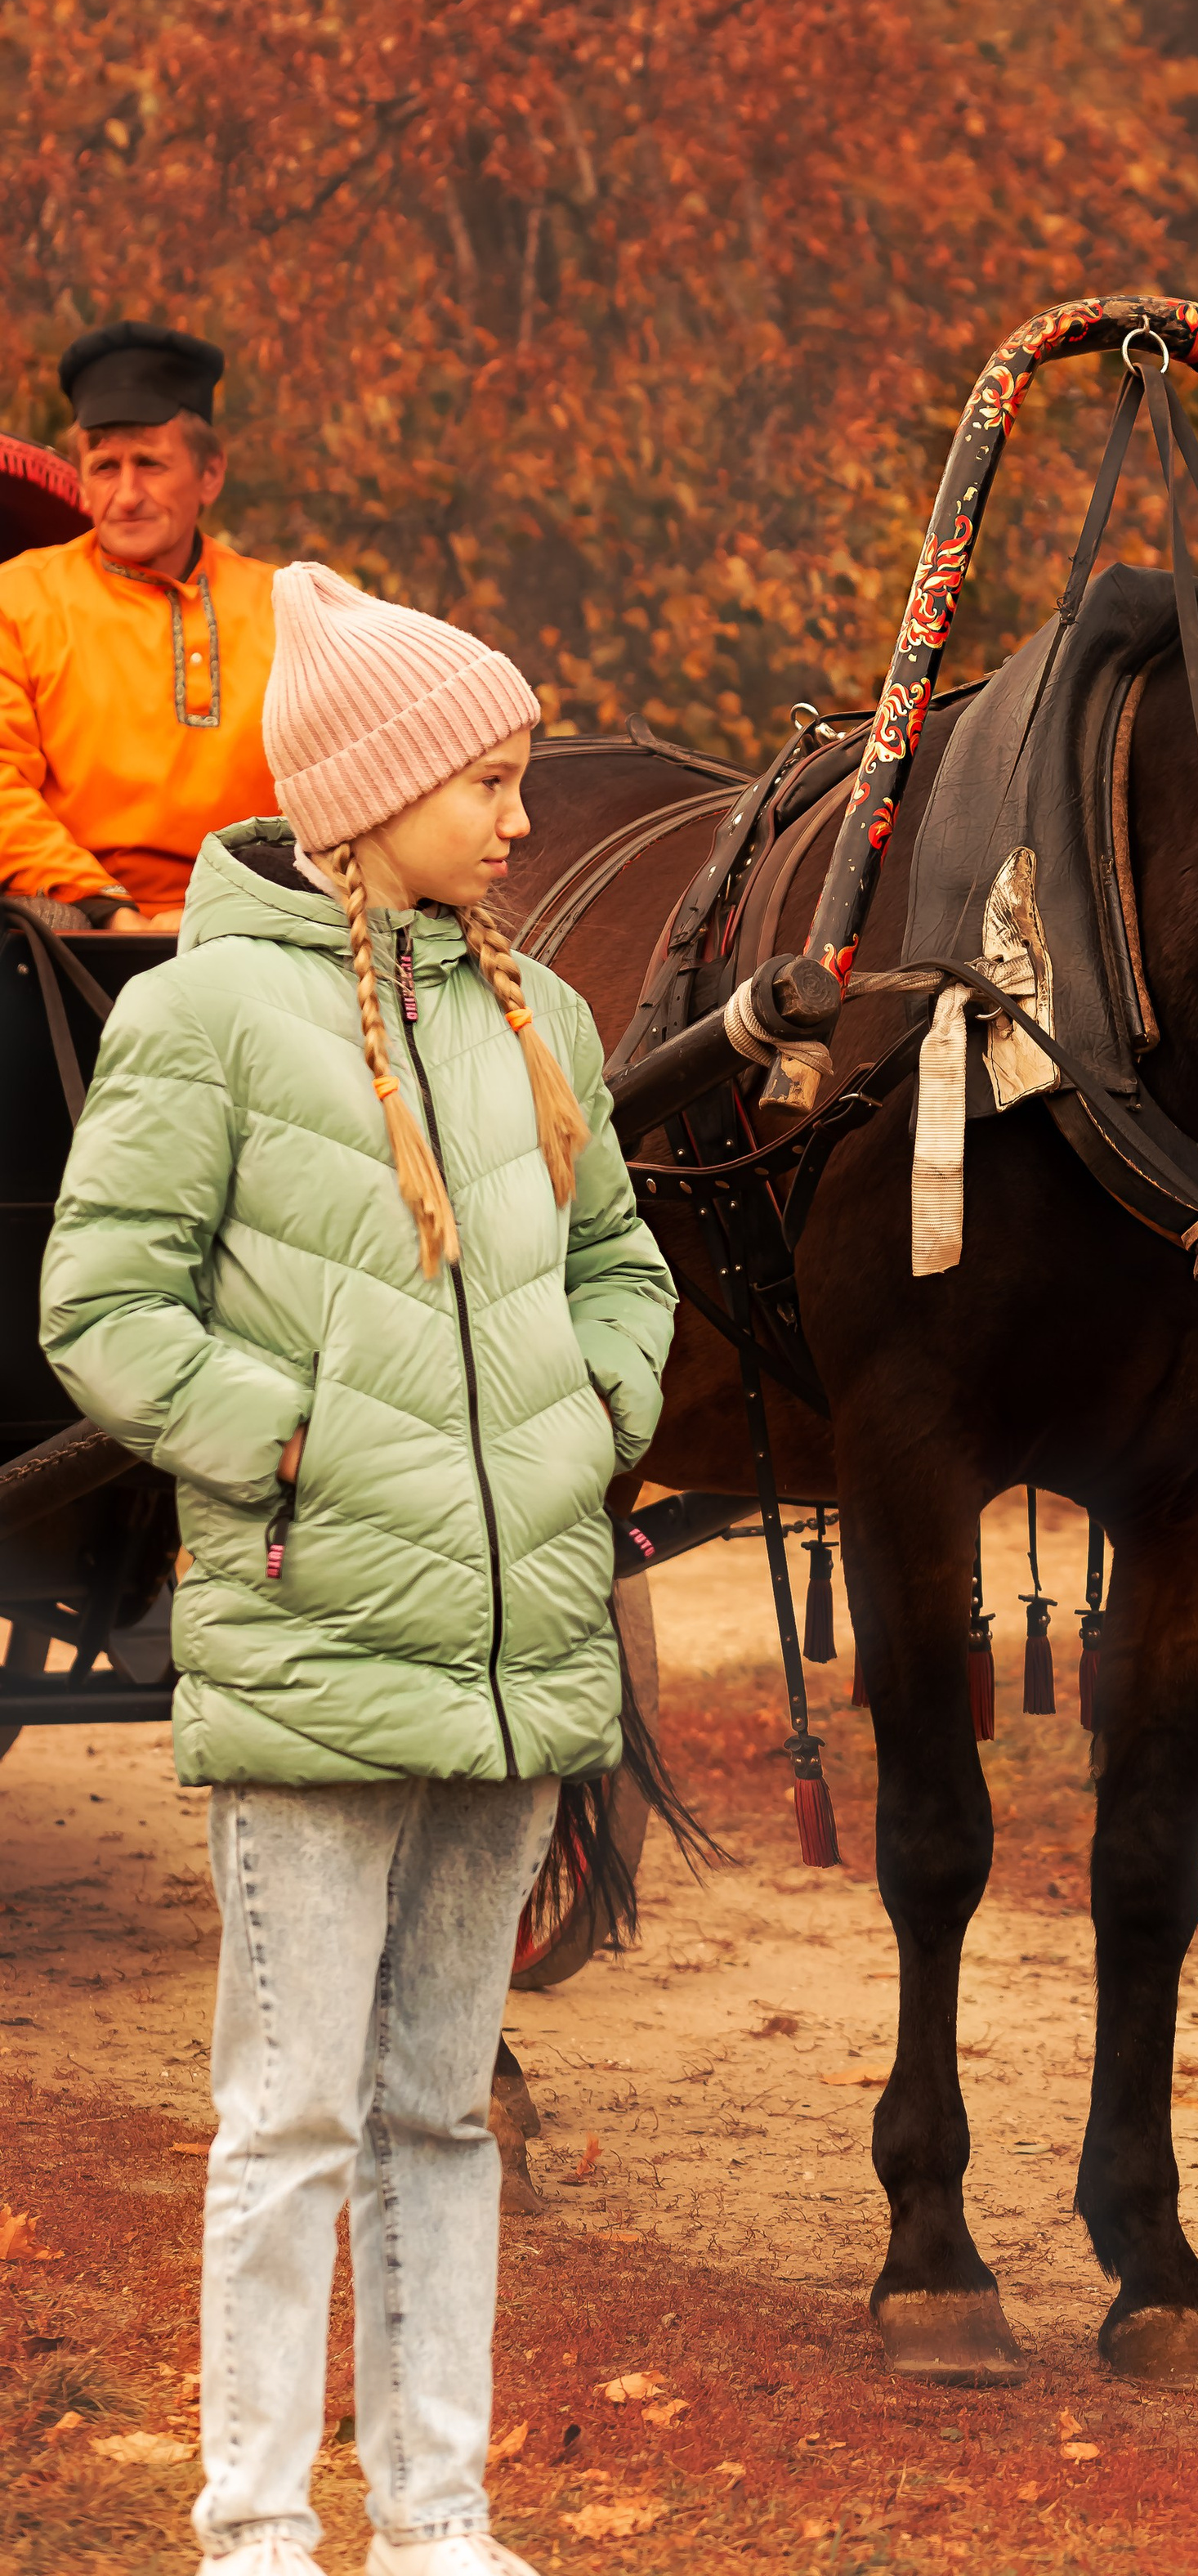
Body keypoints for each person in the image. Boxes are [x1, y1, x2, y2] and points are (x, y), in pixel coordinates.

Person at [40, 562, 678, 2576]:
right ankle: (248, 2526)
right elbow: (104, 1298)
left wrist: (586, 1422)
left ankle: (438, 2520)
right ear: (367, 789)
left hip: (510, 1657)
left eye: (512, 776)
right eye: (483, 779)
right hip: (317, 1646)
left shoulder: (540, 1011)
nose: (515, 814)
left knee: (436, 2114)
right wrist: (289, 1443)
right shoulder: (205, 1013)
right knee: (290, 2116)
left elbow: (619, 1267)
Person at [0, 320, 277, 926]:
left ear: (210, 475)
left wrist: (228, 916)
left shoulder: (286, 606)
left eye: (150, 464)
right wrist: (109, 911)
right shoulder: (17, 597)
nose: (126, 495)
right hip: (72, 921)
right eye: (105, 467)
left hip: (259, 920)